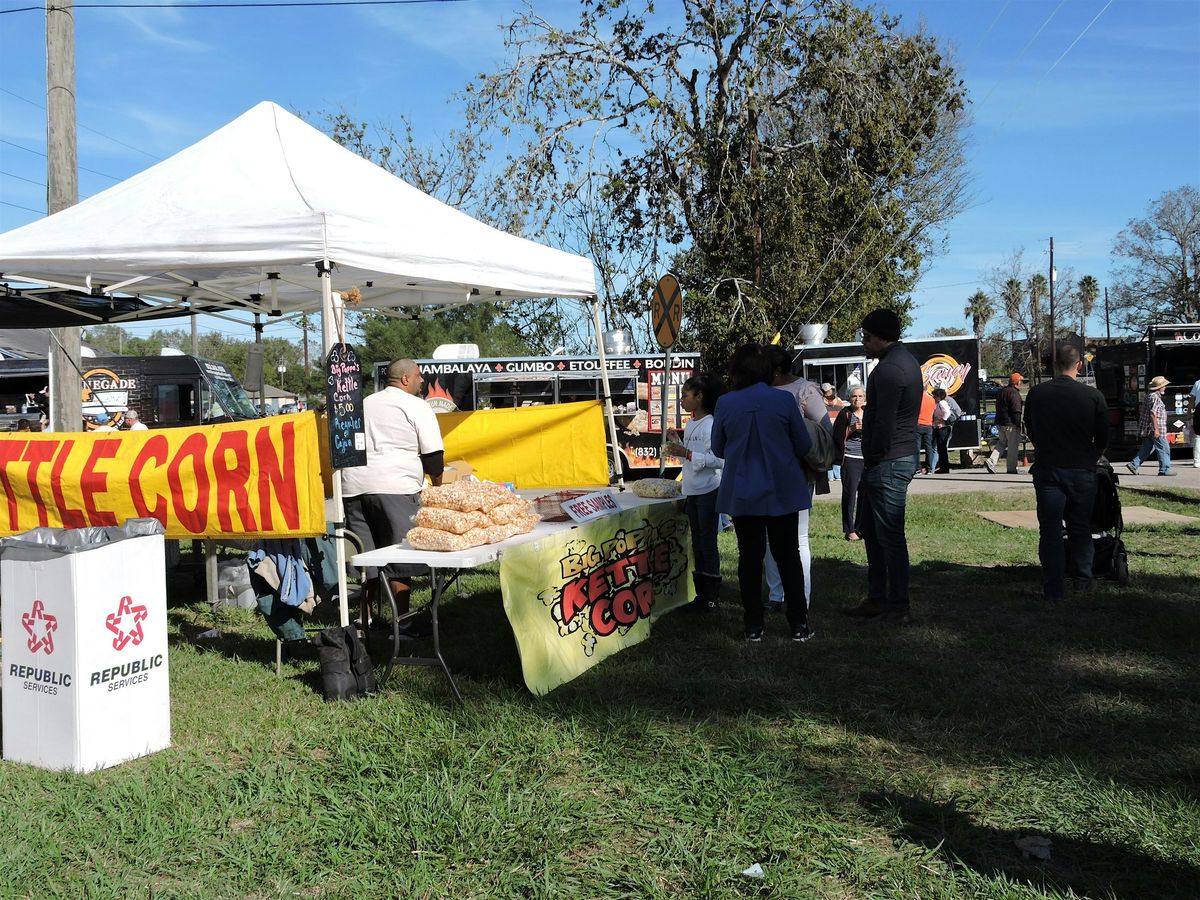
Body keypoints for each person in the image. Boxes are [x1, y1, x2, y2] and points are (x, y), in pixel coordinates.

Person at [711, 343, 814, 643]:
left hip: (743, 491)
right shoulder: (783, 401)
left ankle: (753, 625)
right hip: (782, 490)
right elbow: (804, 445)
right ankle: (799, 624)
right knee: (788, 556)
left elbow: (719, 448)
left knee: (749, 558)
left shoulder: (726, 404)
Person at [341, 358, 445, 636]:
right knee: (402, 557)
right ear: (405, 380)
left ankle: (365, 620)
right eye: (419, 376)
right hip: (395, 486)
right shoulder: (417, 406)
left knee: (367, 558)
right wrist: (439, 487)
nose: (423, 381)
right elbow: (433, 456)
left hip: (354, 488)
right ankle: (404, 624)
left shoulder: (362, 403)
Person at [847, 308, 923, 625]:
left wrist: (873, 456)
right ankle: (877, 599)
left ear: (881, 337)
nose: (864, 342)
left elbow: (885, 423)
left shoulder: (891, 370)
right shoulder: (902, 362)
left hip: (889, 460)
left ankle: (899, 606)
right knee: (876, 534)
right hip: (892, 458)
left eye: (866, 337)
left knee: (890, 536)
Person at [1023, 343, 1109, 601]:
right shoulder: (1093, 396)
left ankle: (1053, 587)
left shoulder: (1037, 394)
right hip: (1082, 469)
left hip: (1049, 469)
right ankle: (1083, 580)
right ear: (1079, 365)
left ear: (1053, 365)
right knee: (1080, 526)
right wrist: (1090, 456)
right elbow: (1103, 436)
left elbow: (1031, 429)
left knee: (1049, 529)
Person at [761, 345, 829, 612]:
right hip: (766, 472)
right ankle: (776, 595)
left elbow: (824, 429)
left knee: (798, 537)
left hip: (797, 472)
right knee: (769, 537)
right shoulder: (762, 391)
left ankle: (801, 597)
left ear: (776, 370)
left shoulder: (804, 390)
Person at [665, 374, 726, 612]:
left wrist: (688, 453)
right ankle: (701, 595)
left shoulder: (711, 423)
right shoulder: (691, 424)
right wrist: (677, 444)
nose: (681, 400)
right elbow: (689, 457)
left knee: (707, 542)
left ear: (699, 397)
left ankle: (711, 597)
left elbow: (719, 460)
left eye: (685, 395)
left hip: (709, 489)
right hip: (692, 489)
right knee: (698, 542)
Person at [833, 386, 867, 541]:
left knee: (865, 496)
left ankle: (861, 527)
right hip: (850, 458)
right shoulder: (845, 414)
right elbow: (837, 437)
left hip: (867, 459)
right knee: (850, 495)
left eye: (860, 396)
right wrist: (851, 429)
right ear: (849, 397)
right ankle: (849, 529)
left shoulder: (869, 413)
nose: (857, 399)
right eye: (854, 396)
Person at [1126, 375, 1175, 476]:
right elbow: (1153, 414)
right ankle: (1164, 469)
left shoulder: (1149, 395)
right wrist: (1156, 429)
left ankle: (1134, 464)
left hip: (1148, 427)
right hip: (1156, 427)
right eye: (1164, 385)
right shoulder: (1155, 397)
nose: (1165, 387)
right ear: (1159, 387)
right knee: (1164, 448)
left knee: (1147, 447)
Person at [986, 373, 1024, 474]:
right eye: (1021, 381)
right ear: (1017, 382)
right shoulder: (1014, 393)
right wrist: (1018, 424)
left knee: (1002, 443)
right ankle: (1011, 468)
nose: (1022, 383)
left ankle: (991, 461)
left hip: (999, 422)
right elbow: (1016, 410)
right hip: (1010, 424)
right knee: (1013, 446)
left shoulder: (1002, 391)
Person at [821, 383, 845, 480]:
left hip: (827, 429)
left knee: (828, 452)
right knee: (837, 450)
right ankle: (836, 474)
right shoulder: (839, 401)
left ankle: (830, 475)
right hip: (836, 429)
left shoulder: (819, 402)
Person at [930, 388, 953, 474]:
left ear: (938, 396)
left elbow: (947, 412)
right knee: (940, 448)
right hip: (940, 427)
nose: (933, 397)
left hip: (943, 428)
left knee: (942, 448)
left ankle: (945, 467)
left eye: (934, 395)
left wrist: (942, 420)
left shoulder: (941, 403)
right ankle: (943, 466)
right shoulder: (939, 403)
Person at [916, 388, 936, 475]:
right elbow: (933, 411)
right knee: (929, 447)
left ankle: (918, 468)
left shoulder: (917, 399)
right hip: (928, 425)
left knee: (917, 448)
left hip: (918, 424)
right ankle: (930, 468)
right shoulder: (932, 400)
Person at [1190, 375, 1200, 468]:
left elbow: (1192, 399)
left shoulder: (1198, 383)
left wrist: (1189, 413)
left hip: (1199, 410)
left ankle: (1197, 461)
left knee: (1198, 436)